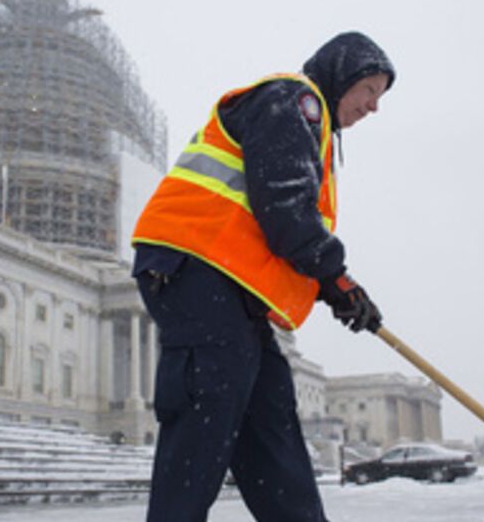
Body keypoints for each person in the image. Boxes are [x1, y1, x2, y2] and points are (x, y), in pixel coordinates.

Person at [131, 31, 395, 522]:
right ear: (344, 76)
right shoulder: (290, 101)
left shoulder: (308, 125)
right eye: (370, 91)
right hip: (194, 270)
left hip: (233, 290)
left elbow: (282, 224)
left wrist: (333, 288)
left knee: (270, 425)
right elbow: (284, 206)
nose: (373, 107)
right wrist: (335, 277)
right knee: (204, 423)